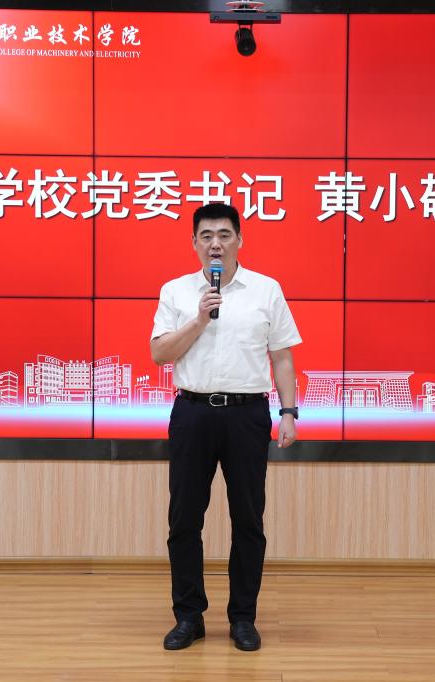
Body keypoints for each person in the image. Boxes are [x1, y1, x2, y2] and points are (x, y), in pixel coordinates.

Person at [150, 202, 301, 652]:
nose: (215, 243)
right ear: (194, 243)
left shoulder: (266, 290)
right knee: (184, 519)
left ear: (239, 239)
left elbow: (282, 357)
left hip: (247, 416)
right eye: (206, 236)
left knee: (248, 519)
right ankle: (189, 616)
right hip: (192, 413)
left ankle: (243, 618)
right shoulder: (176, 292)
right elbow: (159, 354)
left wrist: (288, 412)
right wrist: (199, 319)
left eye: (224, 234)